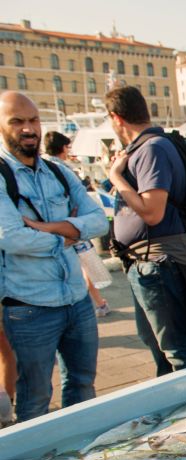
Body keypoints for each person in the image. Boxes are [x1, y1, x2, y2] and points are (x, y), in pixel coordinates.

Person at [0, 91, 109, 422]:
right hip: (29, 308)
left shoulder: (58, 171)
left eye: (33, 120)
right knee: (35, 396)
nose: (28, 128)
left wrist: (44, 228)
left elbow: (99, 221)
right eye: (16, 121)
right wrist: (69, 233)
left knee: (83, 386)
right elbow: (12, 237)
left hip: (77, 301)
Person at [106, 86, 186, 376]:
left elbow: (152, 212)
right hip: (149, 262)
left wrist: (115, 177)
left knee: (176, 350)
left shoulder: (151, 149)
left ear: (116, 118)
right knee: (160, 344)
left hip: (160, 263)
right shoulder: (148, 148)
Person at [44, 130, 111, 318]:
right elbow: (83, 207)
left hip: (52, 232)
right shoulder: (62, 169)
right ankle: (98, 303)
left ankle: (96, 302)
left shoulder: (43, 168)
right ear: (63, 148)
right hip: (71, 229)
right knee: (84, 267)